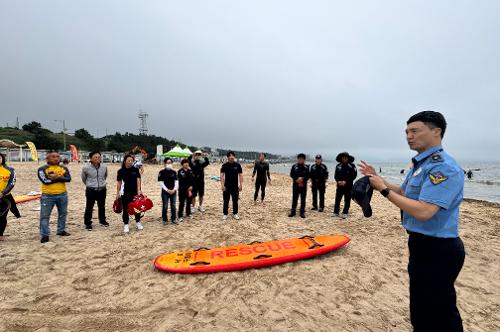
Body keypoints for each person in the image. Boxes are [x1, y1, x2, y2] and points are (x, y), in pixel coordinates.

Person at [359, 111, 465, 331]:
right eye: (407, 131)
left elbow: (425, 212)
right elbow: (404, 193)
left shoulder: (442, 166)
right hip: (420, 244)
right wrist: (378, 180)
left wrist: (384, 190)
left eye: (415, 130)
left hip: (439, 248)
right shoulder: (420, 165)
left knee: (440, 311)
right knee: (422, 308)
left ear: (436, 132)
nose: (408, 136)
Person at [37, 150, 71, 243]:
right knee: (44, 216)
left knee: (63, 214)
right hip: (47, 196)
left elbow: (68, 179)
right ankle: (45, 235)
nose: (56, 158)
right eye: (53, 156)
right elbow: (45, 181)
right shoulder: (42, 169)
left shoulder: (63, 168)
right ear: (47, 158)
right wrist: (60, 178)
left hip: (63, 194)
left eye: (57, 156)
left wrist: (57, 177)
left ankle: (61, 231)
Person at [81, 151, 109, 230]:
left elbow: (105, 176)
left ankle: (102, 220)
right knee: (89, 207)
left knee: (102, 206)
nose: (98, 158)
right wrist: (90, 184)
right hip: (91, 190)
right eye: (95, 157)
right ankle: (88, 223)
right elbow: (84, 178)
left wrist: (101, 183)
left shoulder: (104, 167)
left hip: (102, 189)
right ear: (91, 158)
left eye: (99, 157)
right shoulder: (86, 167)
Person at [116, 154, 143, 233]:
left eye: (132, 161)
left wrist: (139, 190)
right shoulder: (120, 171)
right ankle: (126, 224)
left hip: (135, 192)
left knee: (137, 207)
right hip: (125, 193)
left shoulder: (135, 170)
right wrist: (117, 193)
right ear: (125, 161)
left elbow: (138, 180)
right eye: (129, 160)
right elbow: (119, 183)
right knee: (125, 209)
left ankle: (138, 222)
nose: (130, 162)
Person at [220, 151, 243, 220]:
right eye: (230, 156)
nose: (231, 157)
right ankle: (225, 214)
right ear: (228, 157)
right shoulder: (224, 165)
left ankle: (235, 213)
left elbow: (241, 175)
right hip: (226, 186)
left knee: (235, 200)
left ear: (234, 157)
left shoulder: (238, 165)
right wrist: (222, 185)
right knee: (226, 200)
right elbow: (221, 176)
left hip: (235, 186)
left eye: (233, 155)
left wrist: (241, 185)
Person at [333, 152, 357, 218]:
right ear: (341, 158)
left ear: (348, 158)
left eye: (346, 157)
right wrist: (338, 181)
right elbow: (335, 176)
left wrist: (346, 182)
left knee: (347, 199)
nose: (344, 159)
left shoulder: (352, 166)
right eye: (343, 157)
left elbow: (354, 176)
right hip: (339, 186)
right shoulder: (338, 166)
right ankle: (336, 212)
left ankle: (345, 212)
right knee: (337, 199)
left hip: (348, 186)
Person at [0, 152, 16, 241]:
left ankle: (0, 234)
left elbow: (12, 183)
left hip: (5, 197)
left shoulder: (10, 170)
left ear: (2, 159)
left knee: (2, 216)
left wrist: (3, 193)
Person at [158, 157, 178, 225]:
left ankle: (173, 219)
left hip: (173, 191)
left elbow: (176, 181)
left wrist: (174, 189)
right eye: (167, 163)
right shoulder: (161, 172)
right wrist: (167, 190)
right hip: (165, 192)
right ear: (165, 163)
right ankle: (165, 219)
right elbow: (161, 183)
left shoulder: (174, 172)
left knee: (173, 205)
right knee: (165, 206)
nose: (169, 164)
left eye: (170, 163)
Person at [289, 153, 309, 218]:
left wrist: (302, 179)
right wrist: (296, 179)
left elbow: (308, 176)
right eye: (299, 159)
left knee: (303, 199)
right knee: (294, 198)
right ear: (297, 159)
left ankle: (302, 212)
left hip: (303, 185)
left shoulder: (306, 167)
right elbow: (291, 174)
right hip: (296, 185)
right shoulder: (294, 166)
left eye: (302, 159)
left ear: (304, 160)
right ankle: (293, 211)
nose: (300, 160)